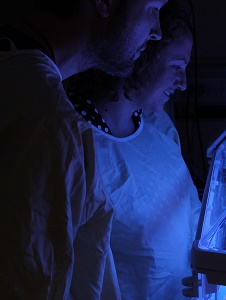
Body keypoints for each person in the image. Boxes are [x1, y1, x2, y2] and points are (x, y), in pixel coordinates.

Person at [0, 0, 166, 298]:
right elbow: (31, 285)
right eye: (152, 7)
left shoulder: (18, 74)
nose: (157, 31)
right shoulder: (46, 122)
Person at [64, 0, 201, 298]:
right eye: (176, 66)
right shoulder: (77, 147)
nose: (183, 83)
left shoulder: (158, 126)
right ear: (142, 56)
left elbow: (192, 212)